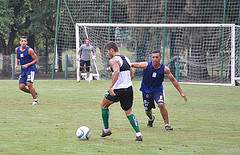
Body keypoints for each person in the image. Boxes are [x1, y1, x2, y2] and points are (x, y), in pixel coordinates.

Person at [131, 50, 187, 130]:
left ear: (160, 58)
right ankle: (151, 118)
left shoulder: (165, 69)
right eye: (153, 57)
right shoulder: (146, 65)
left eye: (157, 57)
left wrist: (181, 92)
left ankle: (167, 124)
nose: (154, 59)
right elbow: (134, 65)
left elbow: (173, 80)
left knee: (161, 104)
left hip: (157, 90)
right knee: (147, 110)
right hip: (146, 90)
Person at [100, 41, 143, 141]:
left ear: (112, 50)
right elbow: (132, 73)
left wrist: (111, 87)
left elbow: (116, 71)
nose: (107, 54)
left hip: (118, 89)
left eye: (107, 52)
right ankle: (138, 134)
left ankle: (106, 130)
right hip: (128, 88)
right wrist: (127, 81)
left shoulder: (113, 60)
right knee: (128, 111)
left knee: (103, 105)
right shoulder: (126, 59)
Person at [15, 36, 38, 106]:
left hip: (31, 69)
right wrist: (16, 64)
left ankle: (35, 100)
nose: (23, 43)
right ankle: (34, 93)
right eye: (22, 41)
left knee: (29, 84)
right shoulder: (17, 49)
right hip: (23, 70)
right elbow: (17, 57)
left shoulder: (30, 50)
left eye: (25, 41)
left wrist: (28, 64)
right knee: (21, 87)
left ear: (27, 42)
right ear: (20, 42)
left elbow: (36, 59)